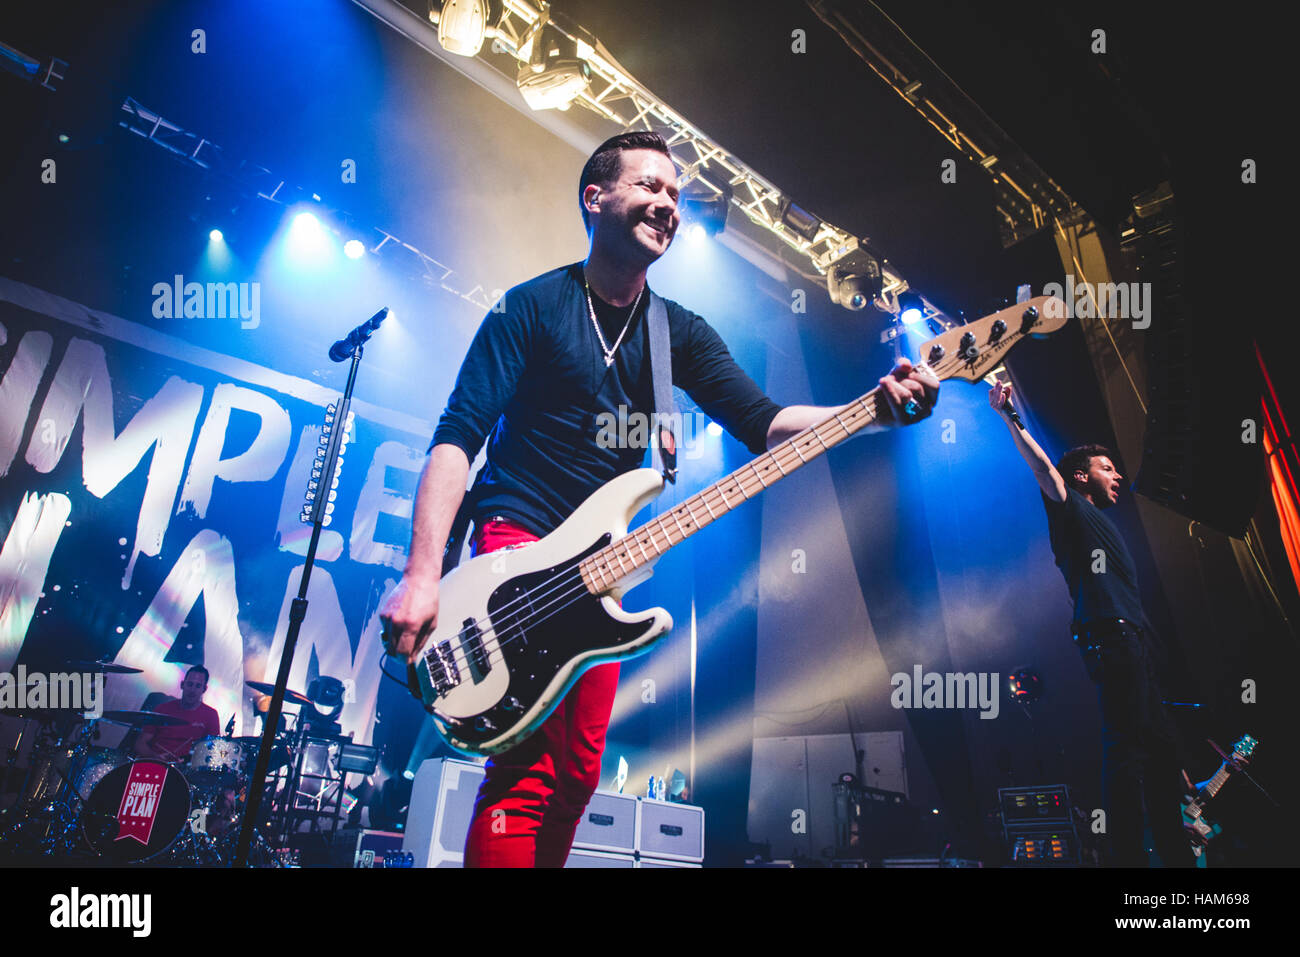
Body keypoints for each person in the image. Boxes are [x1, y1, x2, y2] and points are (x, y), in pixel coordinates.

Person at [381, 131, 940, 867]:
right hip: (514, 547)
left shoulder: (676, 332)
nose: (668, 205)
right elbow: (456, 436)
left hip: (604, 566)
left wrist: (873, 406)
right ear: (596, 198)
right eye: (651, 187)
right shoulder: (531, 307)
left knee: (579, 773)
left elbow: (766, 422)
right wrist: (423, 576)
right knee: (527, 771)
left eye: (676, 195)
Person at [988, 381, 1194, 867]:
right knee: (1125, 751)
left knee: (1163, 761)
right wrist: (1010, 416)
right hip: (1110, 636)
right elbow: (1043, 468)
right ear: (1080, 477)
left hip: (1134, 642)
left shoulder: (1104, 522)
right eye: (1107, 468)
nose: (1118, 475)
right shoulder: (1070, 507)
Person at [133, 665, 221, 765]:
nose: (192, 690)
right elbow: (140, 744)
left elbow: (212, 750)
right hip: (156, 765)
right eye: (190, 684)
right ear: (182, 685)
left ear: (204, 689)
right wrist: (155, 757)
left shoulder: (211, 715)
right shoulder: (162, 709)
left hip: (187, 771)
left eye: (198, 686)